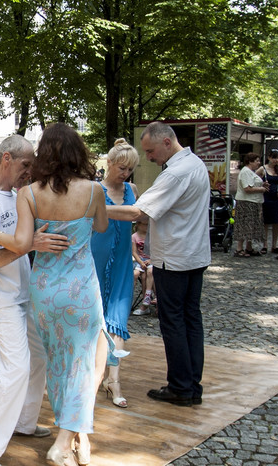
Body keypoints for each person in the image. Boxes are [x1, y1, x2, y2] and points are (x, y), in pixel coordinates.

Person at [0, 126, 105, 466]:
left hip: (32, 292)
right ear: (6, 159)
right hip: (3, 298)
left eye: (34, 163)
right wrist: (30, 244)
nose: (30, 170)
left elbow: (29, 235)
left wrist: (29, 242)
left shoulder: (24, 193)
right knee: (15, 370)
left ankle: (25, 422)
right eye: (26, 164)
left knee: (40, 359)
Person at [107, 121, 210, 408]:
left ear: (167, 142)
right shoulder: (195, 163)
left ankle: (181, 386)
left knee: (174, 321)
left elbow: (137, 212)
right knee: (191, 320)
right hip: (193, 255)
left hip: (175, 258)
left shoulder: (176, 174)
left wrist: (94, 208)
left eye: (150, 151)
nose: (149, 157)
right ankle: (191, 384)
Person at [91, 138, 140, 409]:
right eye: (121, 168)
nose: (125, 174)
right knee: (96, 317)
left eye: (129, 169)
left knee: (118, 318)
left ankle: (114, 379)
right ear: (108, 163)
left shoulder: (132, 189)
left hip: (121, 259)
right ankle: (94, 374)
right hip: (96, 256)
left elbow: (137, 217)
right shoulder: (95, 189)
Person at [234, 153, 267, 257]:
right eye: (257, 161)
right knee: (244, 224)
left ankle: (249, 247)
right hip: (246, 202)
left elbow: (253, 184)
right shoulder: (245, 172)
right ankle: (239, 248)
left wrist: (262, 185)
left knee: (251, 225)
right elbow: (247, 188)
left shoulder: (251, 172)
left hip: (254, 202)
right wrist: (261, 189)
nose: (259, 163)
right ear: (250, 161)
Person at [256, 150, 278, 254]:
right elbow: (254, 179)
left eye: (277, 158)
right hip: (266, 197)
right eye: (273, 157)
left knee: (276, 222)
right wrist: (262, 184)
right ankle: (265, 245)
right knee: (266, 222)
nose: (275, 160)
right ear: (269, 158)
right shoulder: (262, 169)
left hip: (277, 198)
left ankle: (274, 244)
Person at [131, 221, 154, 315]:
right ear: (138, 225)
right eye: (145, 224)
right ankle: (129, 298)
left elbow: (156, 250)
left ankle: (147, 297)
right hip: (139, 261)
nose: (147, 227)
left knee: (149, 272)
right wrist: (140, 262)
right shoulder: (134, 236)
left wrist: (151, 260)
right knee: (135, 274)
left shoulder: (152, 235)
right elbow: (134, 252)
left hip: (151, 260)